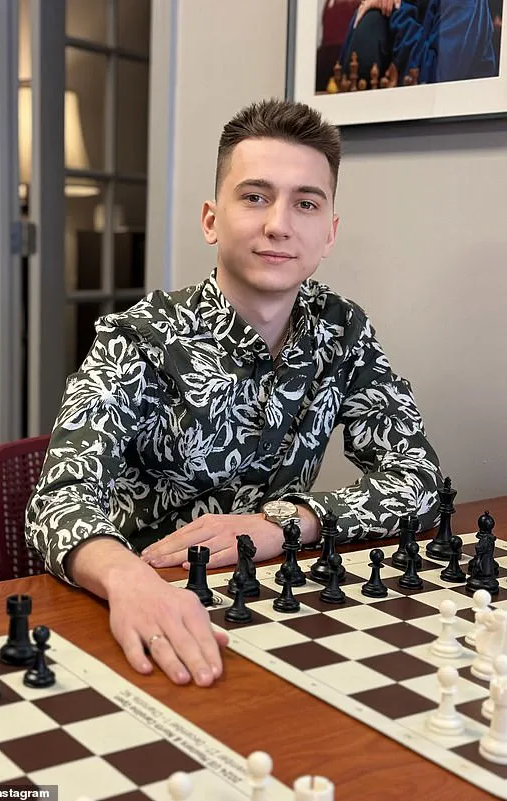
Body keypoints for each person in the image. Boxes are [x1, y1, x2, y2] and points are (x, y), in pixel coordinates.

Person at [25, 98, 442, 689]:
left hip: (281, 604)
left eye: (306, 203)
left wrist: (284, 523)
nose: (279, 224)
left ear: (329, 232)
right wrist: (127, 579)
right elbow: (58, 501)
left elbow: (418, 479)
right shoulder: (139, 338)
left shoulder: (342, 329)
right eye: (254, 197)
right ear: (211, 220)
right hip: (150, 603)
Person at [339, 0, 497, 84]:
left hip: (458, 126)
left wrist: (398, 9)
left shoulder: (463, 3)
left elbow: (436, 81)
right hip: (382, 121)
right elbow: (345, 74)